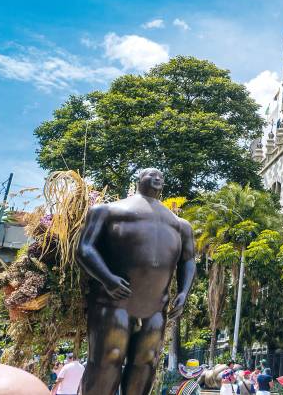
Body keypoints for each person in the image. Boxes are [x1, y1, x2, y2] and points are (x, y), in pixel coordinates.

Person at [77, 168, 196, 395]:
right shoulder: (108, 211)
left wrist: (184, 292)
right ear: (139, 180)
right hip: (113, 302)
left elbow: (188, 261)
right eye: (150, 174)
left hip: (155, 306)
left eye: (161, 175)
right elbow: (85, 248)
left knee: (146, 361)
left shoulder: (181, 225)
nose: (157, 177)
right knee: (107, 357)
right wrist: (108, 279)